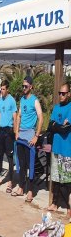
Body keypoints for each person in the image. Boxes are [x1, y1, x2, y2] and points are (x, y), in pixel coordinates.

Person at [13, 76, 43, 202]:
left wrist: (36, 136)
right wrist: (16, 131)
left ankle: (30, 191)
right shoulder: (22, 99)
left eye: (26, 86)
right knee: (21, 163)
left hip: (30, 135)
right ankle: (21, 187)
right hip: (21, 136)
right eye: (23, 86)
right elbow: (19, 116)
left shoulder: (35, 100)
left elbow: (41, 117)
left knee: (30, 165)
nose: (24, 88)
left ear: (31, 86)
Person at [47, 83, 71, 218]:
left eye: (63, 93)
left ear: (69, 94)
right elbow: (50, 126)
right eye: (59, 93)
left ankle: (69, 207)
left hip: (67, 150)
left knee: (67, 181)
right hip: (56, 148)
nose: (61, 96)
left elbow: (66, 129)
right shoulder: (56, 108)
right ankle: (55, 203)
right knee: (55, 178)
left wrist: (57, 125)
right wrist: (58, 125)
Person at [0, 80, 17, 190]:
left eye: (3, 89)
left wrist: (15, 132)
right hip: (1, 131)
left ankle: (10, 182)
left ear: (7, 89)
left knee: (10, 157)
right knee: (0, 155)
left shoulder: (11, 100)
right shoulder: (0, 101)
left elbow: (15, 116)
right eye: (0, 89)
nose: (1, 91)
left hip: (9, 131)